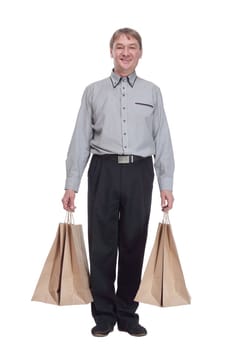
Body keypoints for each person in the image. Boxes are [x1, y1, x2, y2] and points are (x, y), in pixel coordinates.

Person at [62, 28, 175, 337]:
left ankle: (127, 313)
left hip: (140, 172)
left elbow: (161, 138)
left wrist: (166, 183)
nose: (126, 52)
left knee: (133, 243)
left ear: (140, 53)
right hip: (103, 170)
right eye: (120, 47)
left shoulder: (152, 92)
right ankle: (103, 315)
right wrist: (71, 184)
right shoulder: (93, 91)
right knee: (101, 245)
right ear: (110, 51)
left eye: (132, 47)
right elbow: (80, 139)